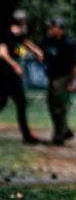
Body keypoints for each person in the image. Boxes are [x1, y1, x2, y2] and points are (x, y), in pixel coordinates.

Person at [0, 10, 43, 144]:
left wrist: (34, 51)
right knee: (1, 103)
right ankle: (27, 135)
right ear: (20, 21)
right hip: (3, 76)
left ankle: (27, 136)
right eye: (25, 21)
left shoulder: (20, 37)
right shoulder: (5, 34)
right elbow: (2, 53)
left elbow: (19, 50)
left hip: (13, 78)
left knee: (21, 104)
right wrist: (15, 65)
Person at [38, 17, 76, 146]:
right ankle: (65, 130)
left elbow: (74, 66)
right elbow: (37, 51)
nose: (49, 29)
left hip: (63, 77)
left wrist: (72, 83)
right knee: (51, 105)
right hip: (52, 77)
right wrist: (17, 51)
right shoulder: (47, 41)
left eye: (52, 27)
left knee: (59, 105)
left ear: (59, 29)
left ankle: (59, 136)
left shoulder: (68, 44)